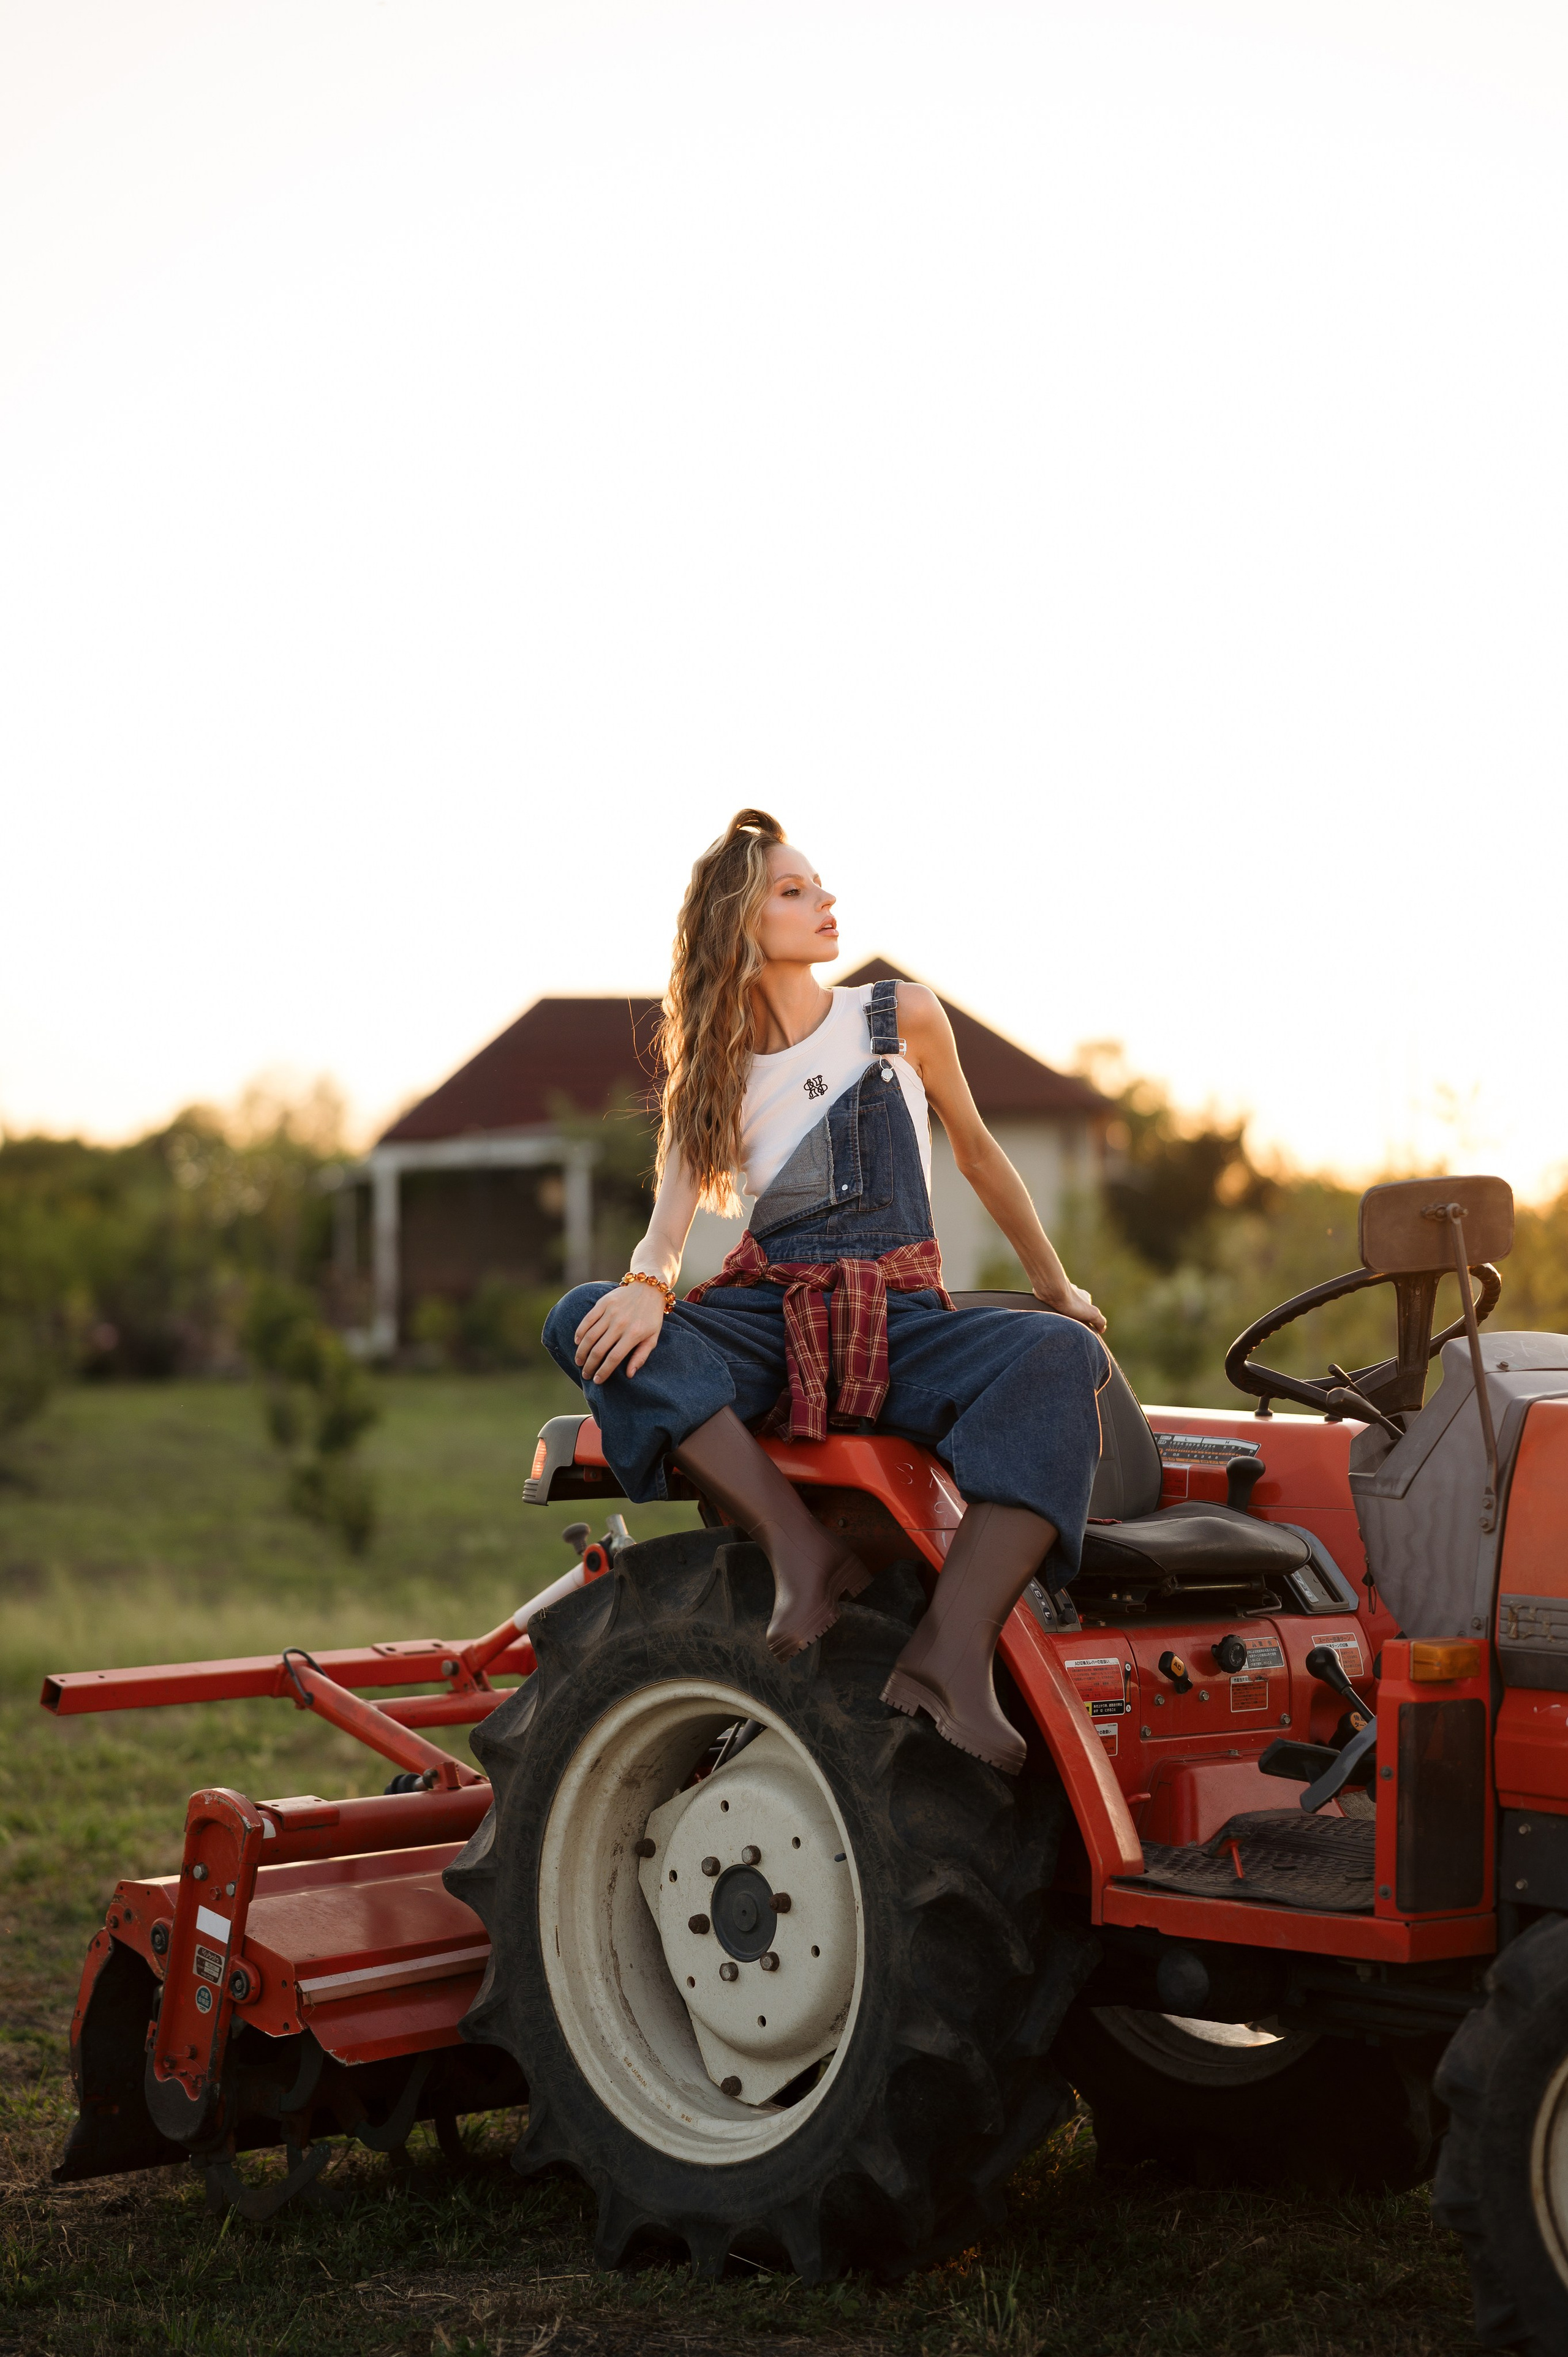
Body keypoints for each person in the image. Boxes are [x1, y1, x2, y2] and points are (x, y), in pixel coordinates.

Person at [543, 810, 1109, 1773]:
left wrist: (1057, 1287)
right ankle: (800, 1555)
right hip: (774, 1314)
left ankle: (949, 1652)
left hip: (902, 1315)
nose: (825, 901)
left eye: (821, 885)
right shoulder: (714, 1076)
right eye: (794, 891)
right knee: (582, 1317)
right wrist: (644, 1286)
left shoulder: (894, 1016)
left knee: (1065, 1359)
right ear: (739, 924)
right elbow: (667, 1229)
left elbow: (977, 1155)